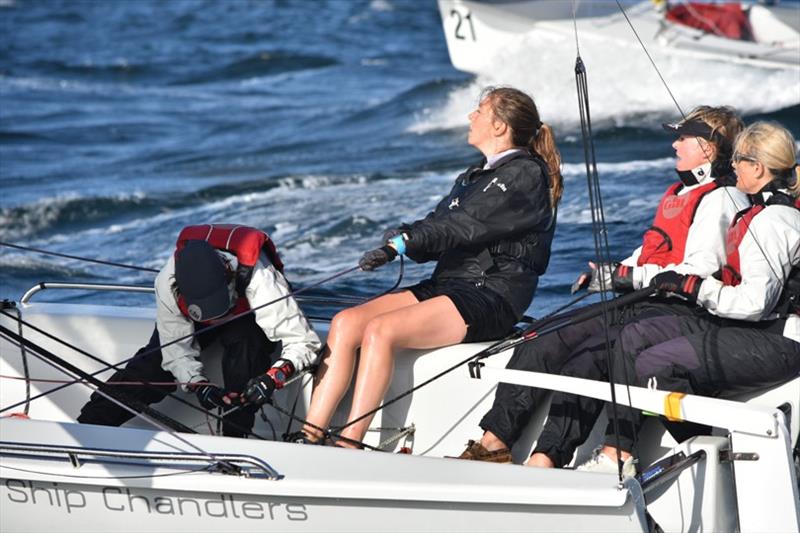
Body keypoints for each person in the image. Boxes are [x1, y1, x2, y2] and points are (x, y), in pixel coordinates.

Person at [456, 105, 749, 463]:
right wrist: (611, 272)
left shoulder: (722, 198)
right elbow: (653, 251)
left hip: (677, 310)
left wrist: (629, 278)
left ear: (708, 148)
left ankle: (546, 459)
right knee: (543, 336)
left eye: (683, 138)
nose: (675, 145)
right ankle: (493, 444)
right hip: (644, 300)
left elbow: (699, 268)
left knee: (588, 358)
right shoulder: (679, 192)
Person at [293, 86, 563, 447]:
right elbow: (438, 224)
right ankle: (308, 436)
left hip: (492, 295)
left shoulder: (523, 175)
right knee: (346, 323)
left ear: (500, 126)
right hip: (451, 285)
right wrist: (400, 240)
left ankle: (349, 442)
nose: (471, 116)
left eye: (479, 110)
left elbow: (464, 225)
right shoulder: (474, 176)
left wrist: (408, 243)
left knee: (381, 332)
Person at [530, 121, 800, 475]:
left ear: (757, 168)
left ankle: (710, 455)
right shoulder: (755, 213)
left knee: (656, 364)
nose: (731, 165)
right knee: (635, 336)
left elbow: (754, 304)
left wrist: (693, 287)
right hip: (746, 327)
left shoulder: (774, 221)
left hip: (778, 339)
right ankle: (618, 452)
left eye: (738, 160)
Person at [78, 224, 321, 437]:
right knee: (152, 363)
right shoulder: (167, 281)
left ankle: (235, 439)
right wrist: (199, 384)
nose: (217, 322)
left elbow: (303, 341)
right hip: (194, 322)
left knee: (245, 350)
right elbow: (175, 351)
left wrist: (274, 376)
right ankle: (88, 425)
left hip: (246, 315)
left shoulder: (260, 277)